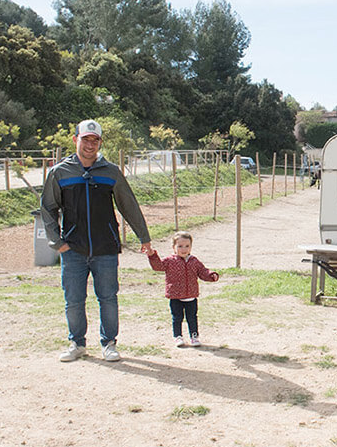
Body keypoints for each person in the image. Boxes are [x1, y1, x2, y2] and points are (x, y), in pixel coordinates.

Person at [40, 119, 153, 363]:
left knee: (108, 298)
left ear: (100, 142)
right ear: (75, 140)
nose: (90, 144)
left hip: (105, 248)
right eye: (85, 139)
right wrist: (57, 242)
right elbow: (47, 209)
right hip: (73, 250)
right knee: (73, 300)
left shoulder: (111, 172)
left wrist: (143, 236)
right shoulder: (60, 172)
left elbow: (128, 205)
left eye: (95, 140)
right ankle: (77, 343)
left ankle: (109, 344)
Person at [147, 231, 220, 347]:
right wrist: (152, 255)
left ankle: (194, 336)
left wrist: (211, 275)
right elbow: (158, 266)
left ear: (191, 247)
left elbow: (202, 271)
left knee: (192, 317)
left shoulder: (194, 261)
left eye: (187, 246)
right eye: (180, 246)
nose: (184, 249)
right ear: (174, 247)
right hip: (175, 296)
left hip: (191, 295)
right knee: (177, 317)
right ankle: (178, 336)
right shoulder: (170, 261)